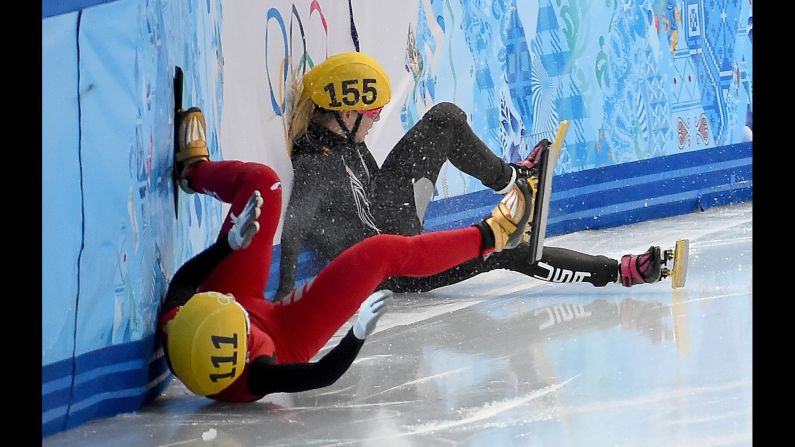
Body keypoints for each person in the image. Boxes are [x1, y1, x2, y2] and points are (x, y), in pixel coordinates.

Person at [161, 106, 534, 400]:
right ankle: (493, 235)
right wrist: (356, 333)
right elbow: (322, 374)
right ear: (244, 352)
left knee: (265, 184)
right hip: (287, 336)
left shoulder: (175, 328)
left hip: (232, 307)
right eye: (242, 321)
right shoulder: (260, 374)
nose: (242, 313)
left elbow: (185, 280)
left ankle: (193, 172)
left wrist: (227, 247)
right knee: (381, 253)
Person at [276, 51, 664, 299]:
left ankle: (515, 179)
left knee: (444, 117)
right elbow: (293, 227)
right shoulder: (317, 165)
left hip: (391, 223)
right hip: (397, 268)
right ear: (346, 112)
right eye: (371, 111)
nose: (378, 118)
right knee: (505, 248)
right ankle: (620, 271)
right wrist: (280, 298)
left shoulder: (346, 140)